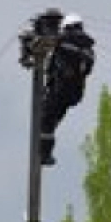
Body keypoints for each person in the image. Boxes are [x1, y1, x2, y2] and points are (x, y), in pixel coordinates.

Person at [38, 13, 94, 166]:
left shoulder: (62, 42)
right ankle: (44, 152)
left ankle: (44, 154)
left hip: (59, 89)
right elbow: (88, 68)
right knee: (52, 120)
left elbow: (58, 49)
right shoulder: (88, 47)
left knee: (46, 122)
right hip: (75, 92)